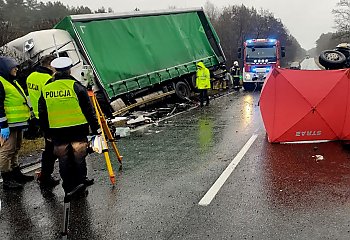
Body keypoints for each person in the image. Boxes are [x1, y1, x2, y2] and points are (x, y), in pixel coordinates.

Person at [38, 57, 100, 198]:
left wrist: (45, 132)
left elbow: (42, 112)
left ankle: (69, 188)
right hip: (77, 129)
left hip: (57, 131)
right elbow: (88, 110)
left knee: (64, 159)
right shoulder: (76, 87)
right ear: (69, 70)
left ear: (55, 70)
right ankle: (80, 184)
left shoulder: (46, 88)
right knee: (79, 157)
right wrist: (96, 128)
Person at [26, 55, 60, 188]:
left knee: (50, 147)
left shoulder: (31, 76)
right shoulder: (48, 79)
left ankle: (45, 175)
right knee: (52, 149)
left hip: (38, 116)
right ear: (50, 65)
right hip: (50, 117)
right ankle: (46, 177)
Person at [0, 56, 33, 190]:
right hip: (8, 124)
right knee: (6, 151)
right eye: (13, 67)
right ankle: (7, 178)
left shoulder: (12, 81)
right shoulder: (1, 82)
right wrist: (3, 125)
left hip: (17, 123)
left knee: (16, 148)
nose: (16, 69)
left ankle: (15, 172)